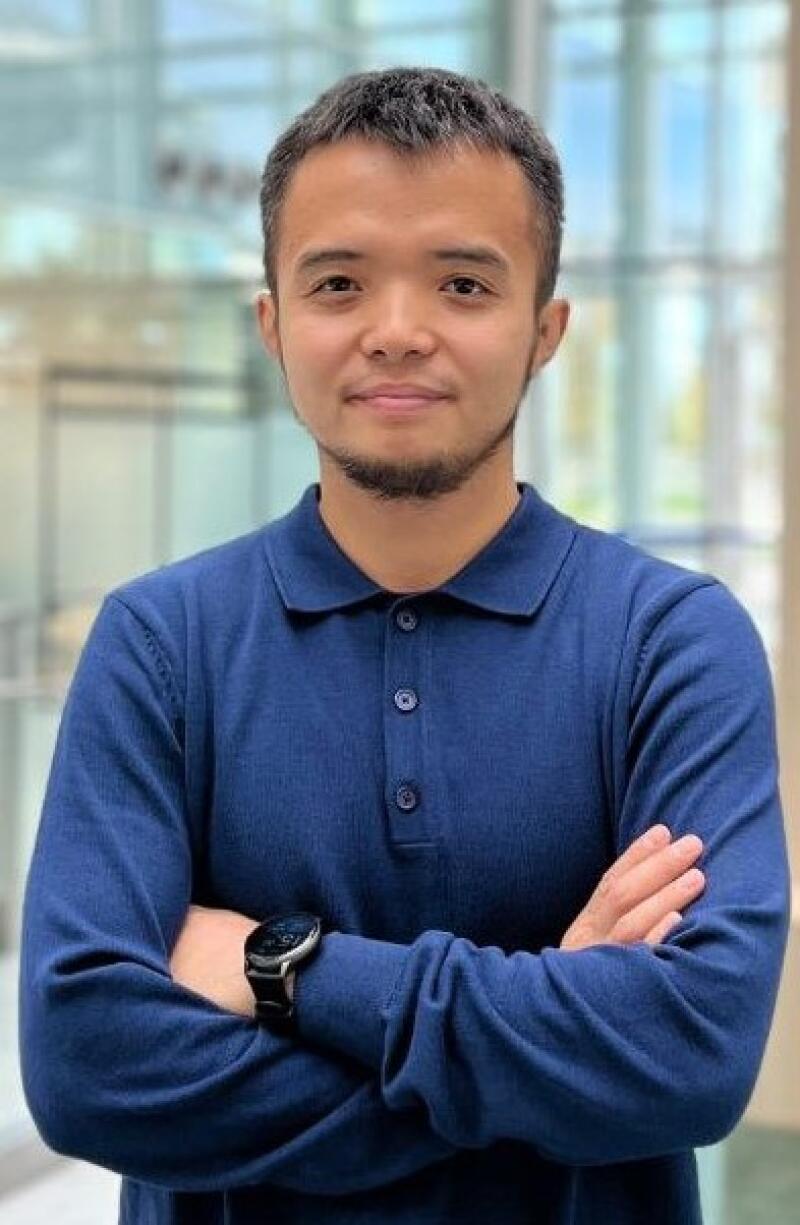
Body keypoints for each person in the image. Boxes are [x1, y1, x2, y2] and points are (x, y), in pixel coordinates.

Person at [18, 66, 790, 1225]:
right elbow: (87, 1068)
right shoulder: (160, 644)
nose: (396, 331)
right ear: (273, 323)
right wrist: (542, 1036)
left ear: (543, 331)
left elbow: (685, 1056)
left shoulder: (668, 643)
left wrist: (284, 967)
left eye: (462, 282)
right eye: (337, 282)